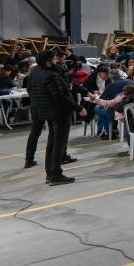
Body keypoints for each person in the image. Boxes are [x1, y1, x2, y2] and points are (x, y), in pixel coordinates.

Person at [25, 50, 85, 184]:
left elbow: (30, 90)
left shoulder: (35, 72)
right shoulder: (50, 76)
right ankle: (56, 174)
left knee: (52, 143)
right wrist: (78, 107)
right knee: (59, 143)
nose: (56, 61)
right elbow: (60, 97)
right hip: (59, 112)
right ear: (47, 62)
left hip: (45, 111)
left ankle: (50, 173)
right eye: (54, 59)